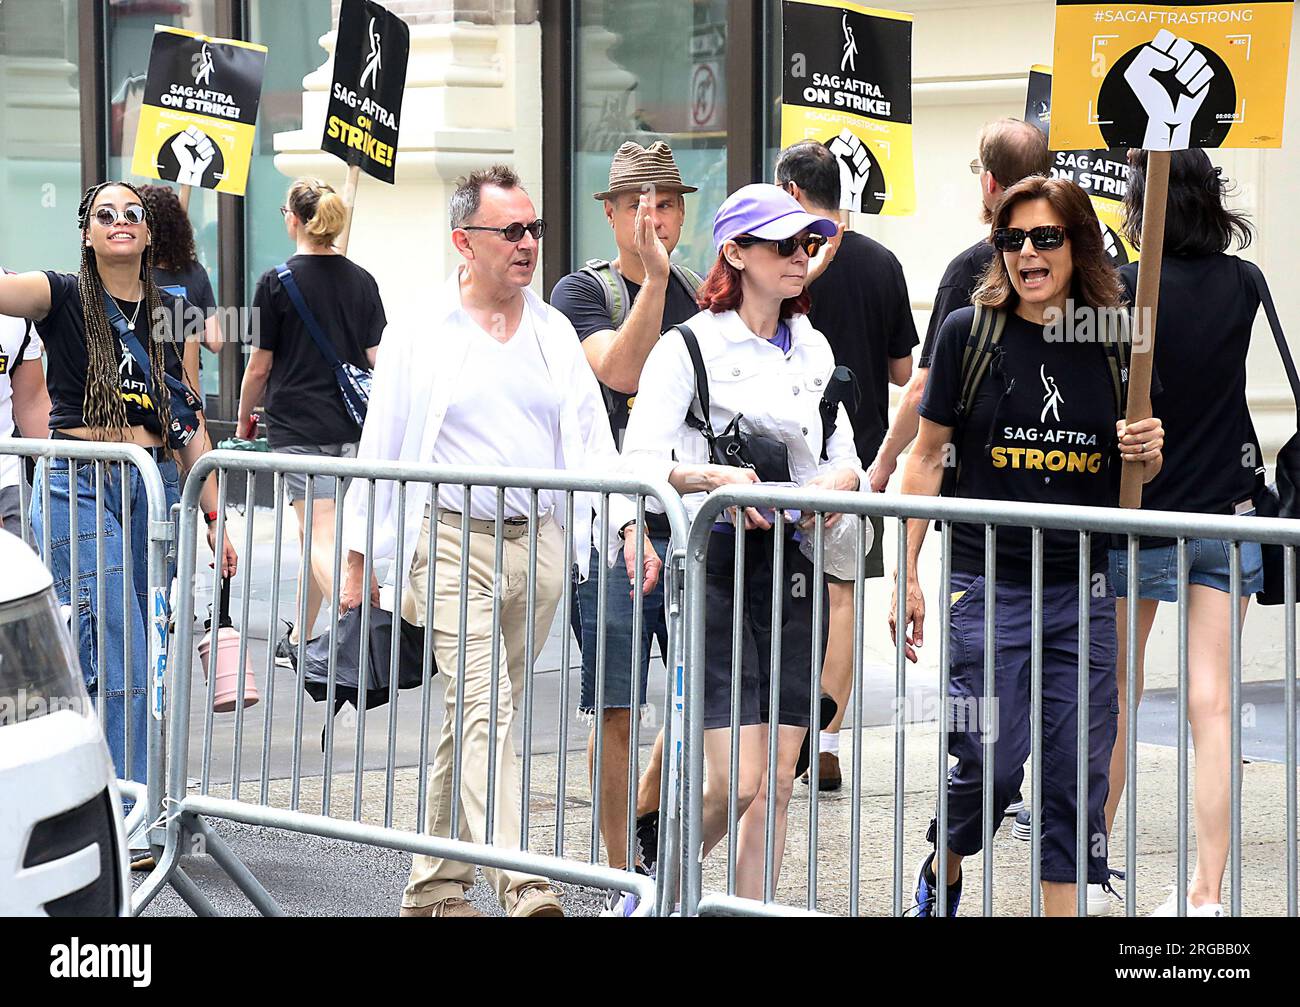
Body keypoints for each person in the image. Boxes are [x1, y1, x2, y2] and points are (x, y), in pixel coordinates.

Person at [339, 165, 660, 919]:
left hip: (539, 548)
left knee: (476, 715)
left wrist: (625, 526)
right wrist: (359, 558)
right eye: (510, 231)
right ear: (464, 240)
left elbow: (590, 441)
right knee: (485, 711)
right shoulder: (420, 329)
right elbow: (379, 445)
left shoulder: (551, 330)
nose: (527, 244)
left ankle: (433, 889)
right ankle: (524, 884)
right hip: (452, 543)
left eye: (534, 230)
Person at [892, 176, 1164, 916]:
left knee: (1076, 774)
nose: (1027, 254)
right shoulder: (967, 332)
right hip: (987, 590)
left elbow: (1143, 462)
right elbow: (926, 455)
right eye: (1012, 240)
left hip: (1085, 594)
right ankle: (943, 865)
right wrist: (906, 571)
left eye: (1045, 237)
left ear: (1078, 244)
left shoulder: (1118, 339)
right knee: (986, 756)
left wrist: (1148, 444)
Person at [620, 183, 863, 901]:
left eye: (808, 244)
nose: (800, 257)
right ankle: (654, 886)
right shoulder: (687, 344)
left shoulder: (814, 347)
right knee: (735, 779)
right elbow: (634, 460)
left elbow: (844, 454)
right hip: (718, 566)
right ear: (736, 252)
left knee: (779, 785)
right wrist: (709, 476)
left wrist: (835, 489)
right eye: (784, 244)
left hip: (796, 568)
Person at [0, 181, 236, 792]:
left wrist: (216, 518)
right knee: (121, 645)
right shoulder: (60, 293)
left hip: (151, 486)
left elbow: (185, 416)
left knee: (126, 645)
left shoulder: (173, 306)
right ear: (88, 232)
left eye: (132, 213)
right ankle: (130, 807)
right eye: (105, 214)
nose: (121, 221)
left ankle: (86, 789)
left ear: (149, 232)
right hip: (78, 481)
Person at [1103, 150, 1262, 918]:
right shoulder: (1245, 282)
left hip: (1141, 512)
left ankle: (1091, 872)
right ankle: (1205, 895)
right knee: (1214, 707)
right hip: (1224, 516)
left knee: (1114, 698)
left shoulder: (1127, 288)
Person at [550, 140, 700, 906]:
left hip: (694, 528)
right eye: (639, 205)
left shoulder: (706, 292)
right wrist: (656, 284)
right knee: (616, 703)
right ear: (609, 213)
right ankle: (619, 873)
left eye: (668, 203)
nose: (655, 218)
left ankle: (652, 816)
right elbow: (620, 371)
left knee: (701, 697)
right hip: (612, 529)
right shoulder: (584, 291)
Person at [776, 139, 919, 790]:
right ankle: (827, 741)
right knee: (840, 600)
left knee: (776, 597)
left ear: (797, 195)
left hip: (782, 459)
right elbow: (901, 372)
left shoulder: (779, 263)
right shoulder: (883, 263)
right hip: (856, 463)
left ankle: (783, 732)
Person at [236, 178, 385, 664]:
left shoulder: (275, 281)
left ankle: (362, 622)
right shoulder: (362, 278)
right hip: (353, 426)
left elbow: (259, 365)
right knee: (323, 535)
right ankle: (300, 637)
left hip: (299, 426)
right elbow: (376, 359)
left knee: (322, 534)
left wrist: (242, 422)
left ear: (294, 219)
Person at [868, 118, 1051, 493]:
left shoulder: (970, 268)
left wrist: (883, 464)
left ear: (989, 182)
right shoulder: (1087, 260)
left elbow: (924, 386)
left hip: (981, 489)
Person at [139, 184, 223, 394]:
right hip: (189, 380)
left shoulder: (131, 274)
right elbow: (215, 342)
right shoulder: (195, 272)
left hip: (140, 378)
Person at [0, 282, 50, 536]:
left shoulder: (17, 297)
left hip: (8, 479)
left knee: (28, 571)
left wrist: (60, 476)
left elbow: (32, 402)